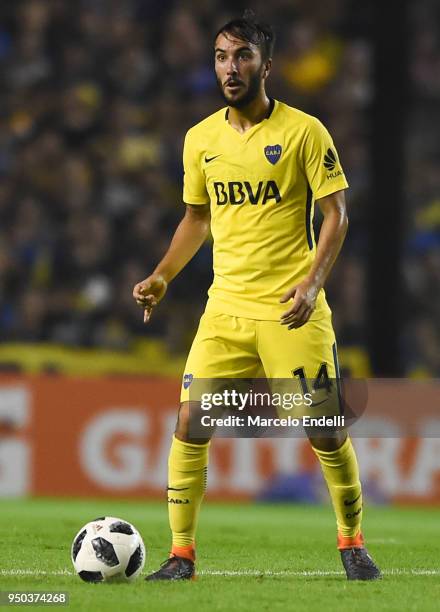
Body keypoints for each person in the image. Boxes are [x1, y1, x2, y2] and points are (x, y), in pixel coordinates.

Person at [133, 11, 381, 582]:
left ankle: (352, 541)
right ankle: (181, 555)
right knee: (190, 423)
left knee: (324, 429)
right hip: (224, 309)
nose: (230, 67)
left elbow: (336, 212)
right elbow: (197, 218)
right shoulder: (201, 139)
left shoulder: (304, 131)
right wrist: (164, 276)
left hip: (292, 310)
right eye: (221, 57)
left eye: (242, 56)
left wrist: (312, 283)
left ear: (266, 66)